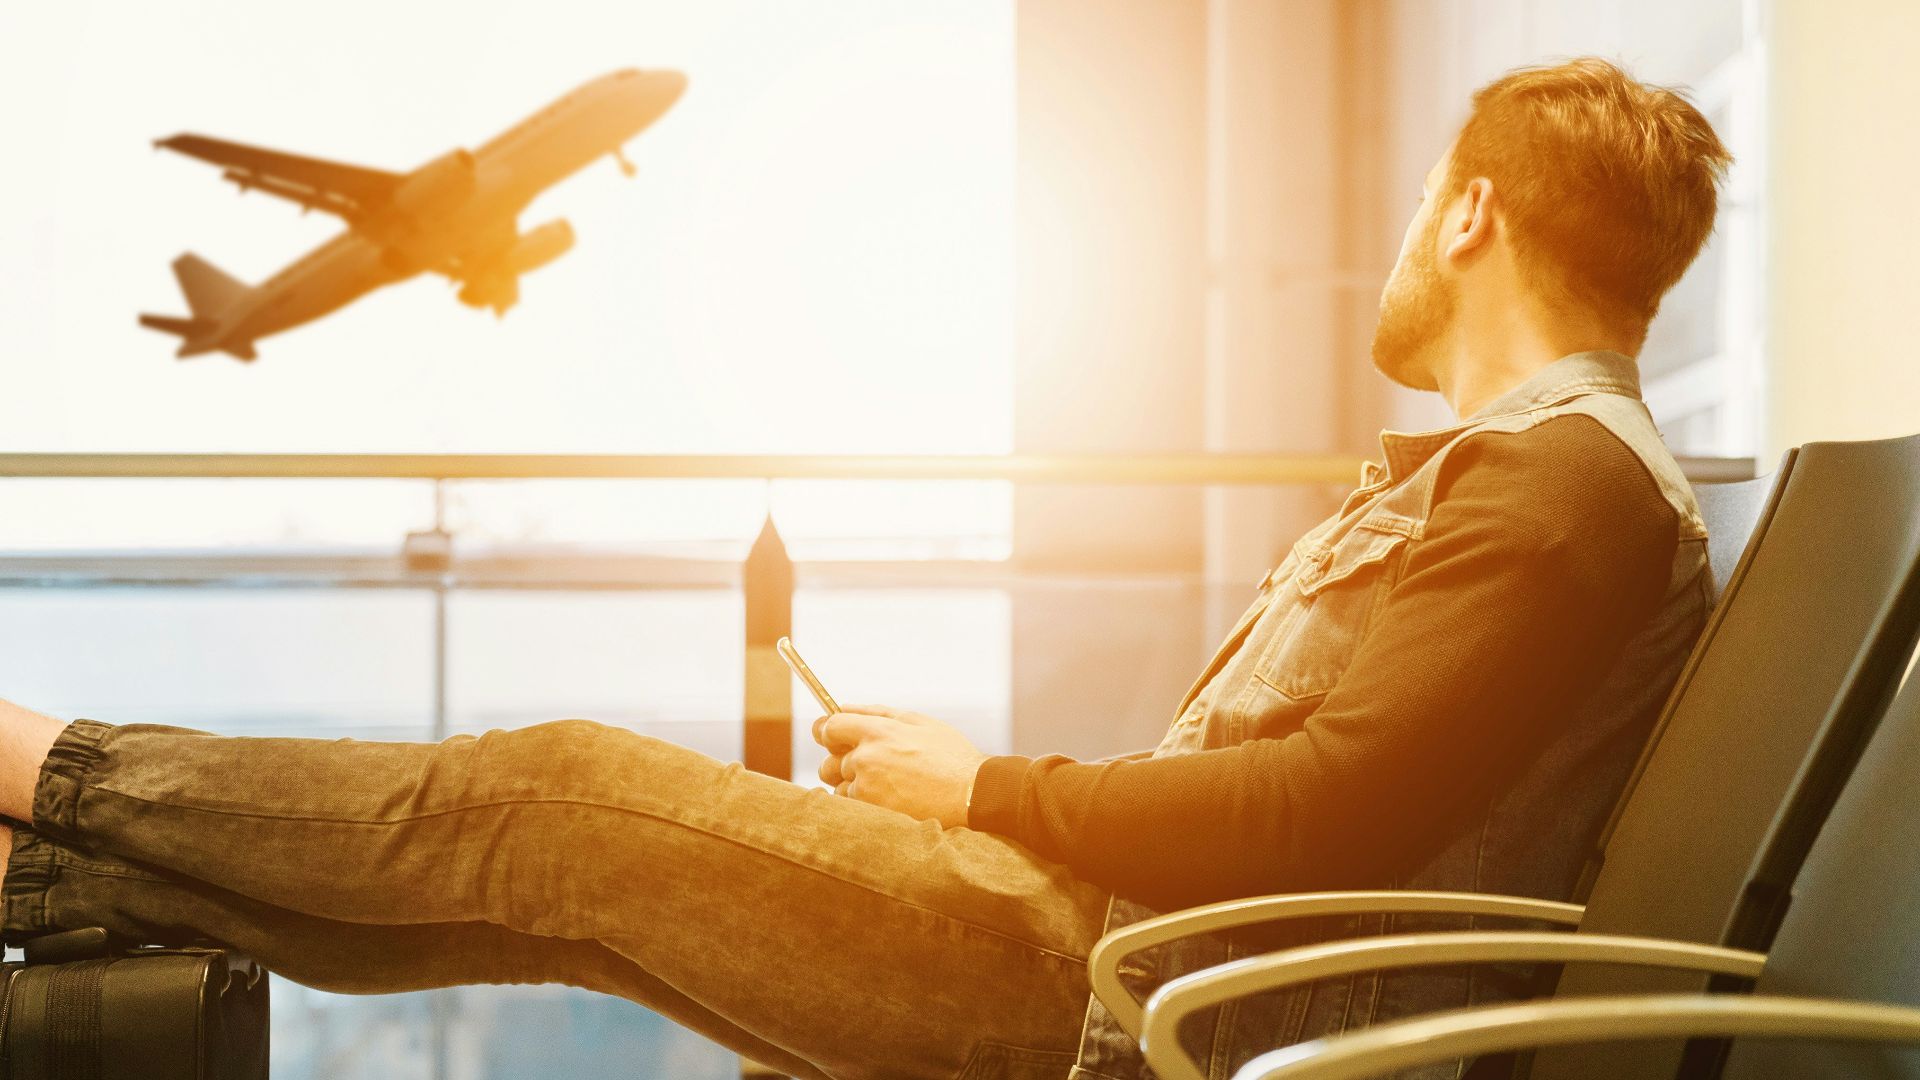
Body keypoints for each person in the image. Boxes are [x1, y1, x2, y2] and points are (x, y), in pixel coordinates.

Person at [0, 56, 1731, 1080]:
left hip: (1139, 999)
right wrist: (981, 797)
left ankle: (39, 767)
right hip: (1144, 957)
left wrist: (986, 787)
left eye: (1423, 196)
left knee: (553, 802)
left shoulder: (1564, 491)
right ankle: (47, 884)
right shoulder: (1538, 485)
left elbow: (1319, 818)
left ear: (1472, 214)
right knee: (556, 902)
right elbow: (1318, 803)